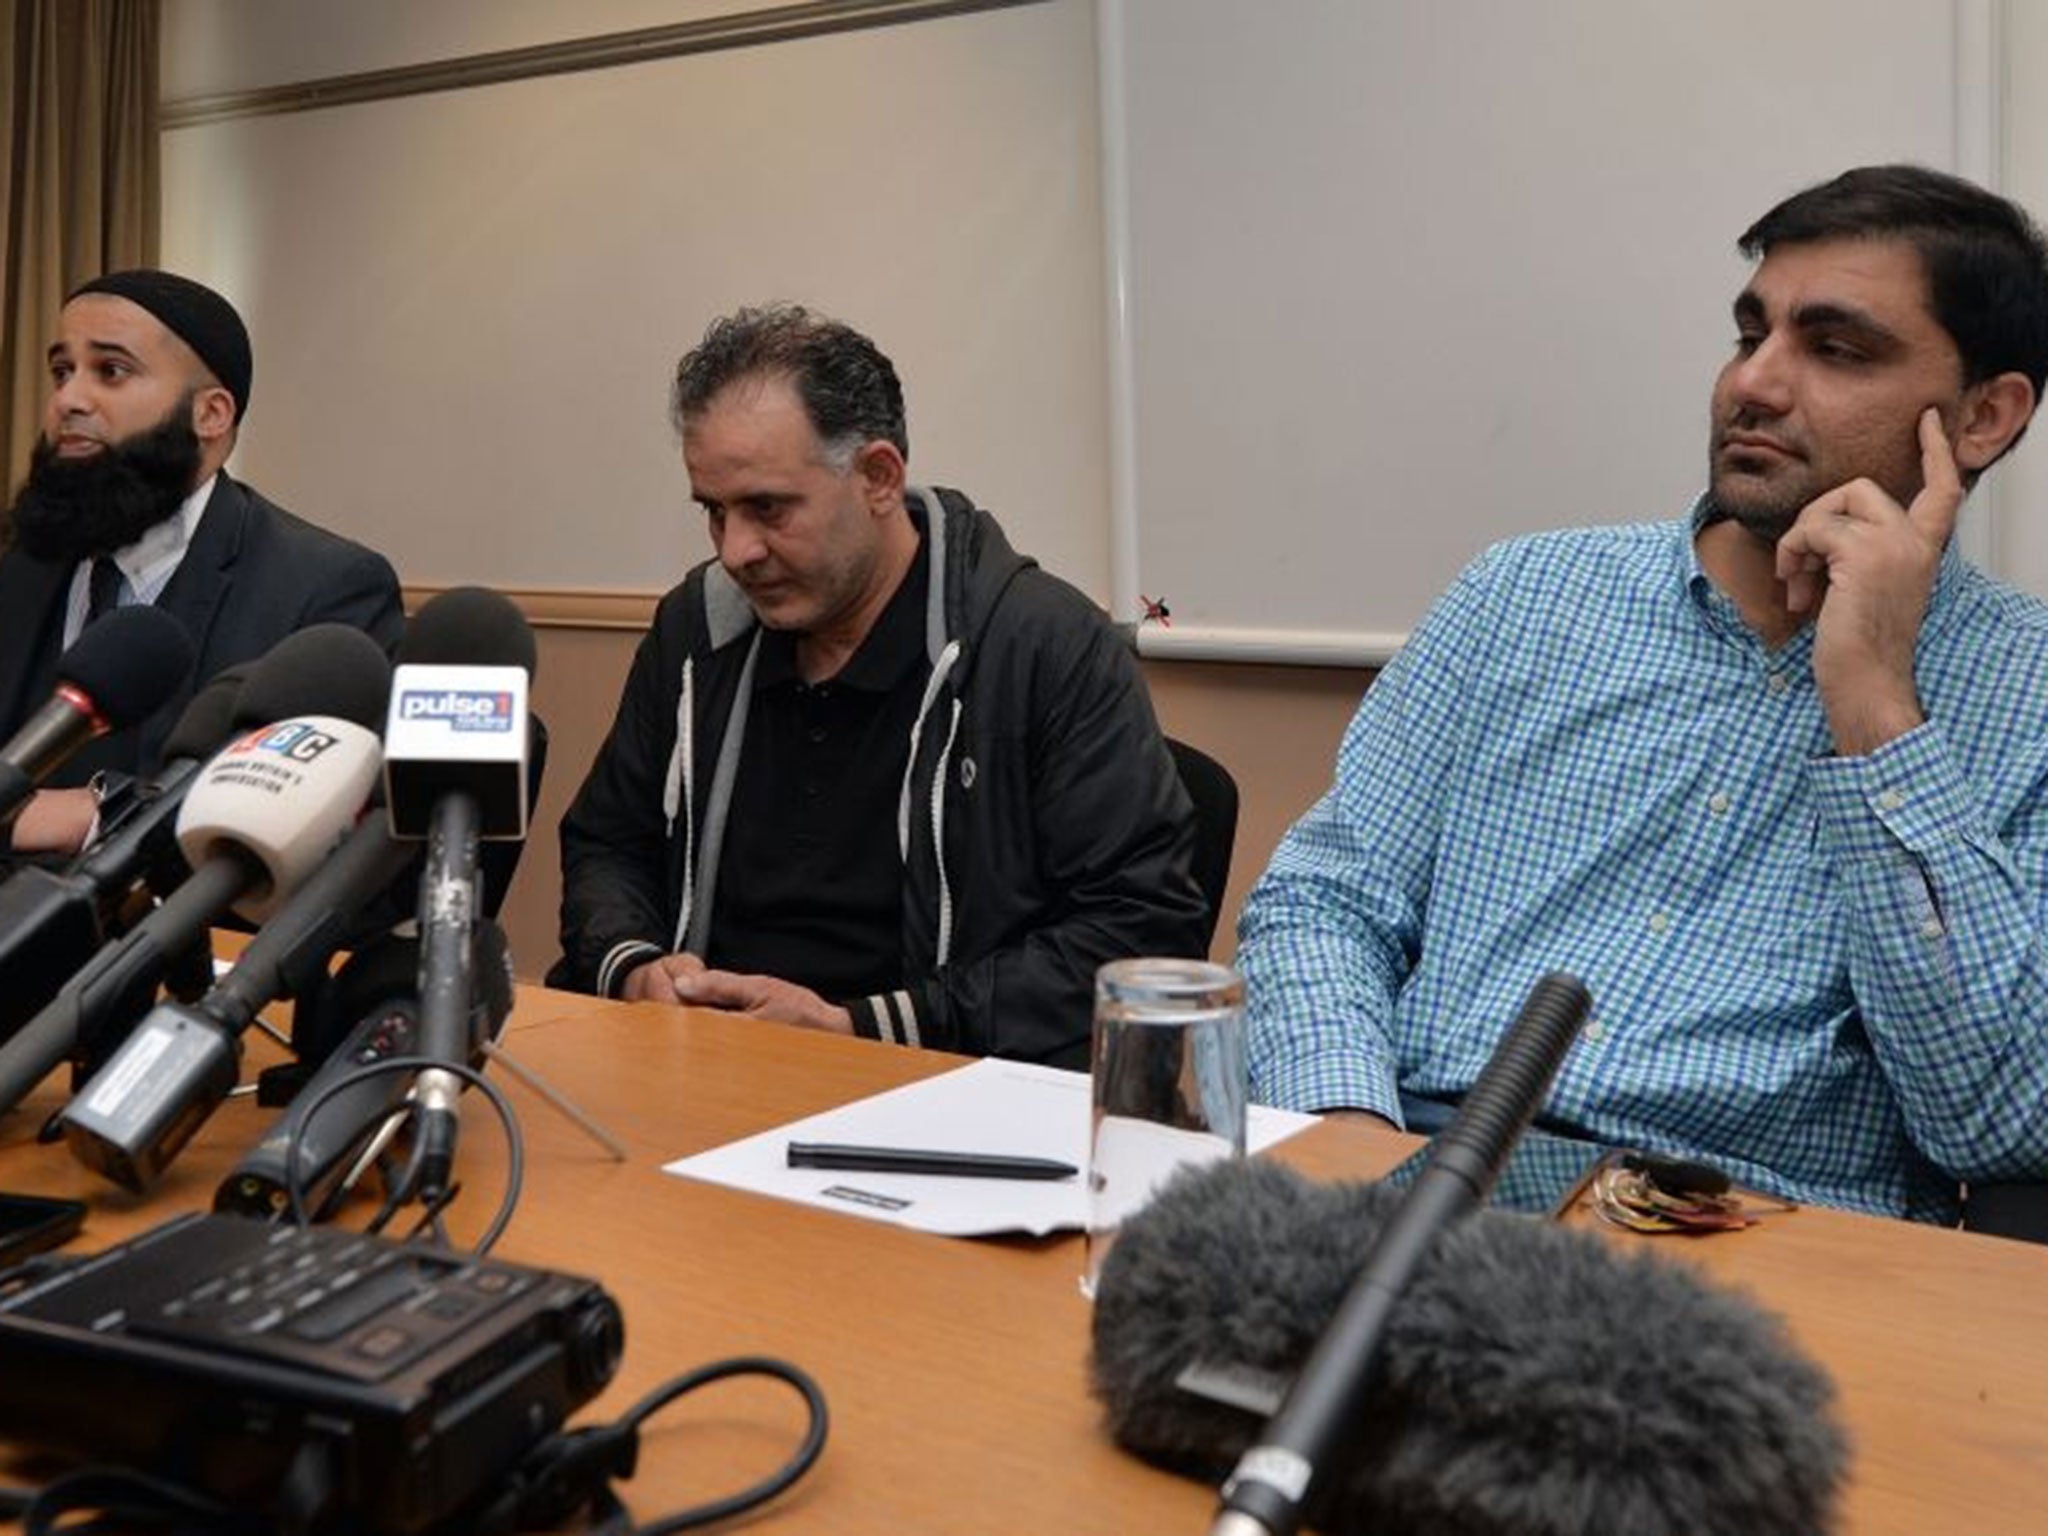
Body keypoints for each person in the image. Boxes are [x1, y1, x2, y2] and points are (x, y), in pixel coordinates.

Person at [1239, 165, 2048, 1224]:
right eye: (1747, 332)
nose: (1752, 384)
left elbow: (1990, 1120)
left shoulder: (2025, 691)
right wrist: (1344, 1141)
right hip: (1420, 1162)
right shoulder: (1521, 595)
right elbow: (1323, 900)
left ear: (1982, 419)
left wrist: (1876, 710)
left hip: (1745, 1231)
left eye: (1834, 349)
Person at [553, 304, 1205, 1067]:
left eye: (767, 508)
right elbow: (607, 841)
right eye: (713, 512)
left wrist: (860, 1029)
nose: (735, 551)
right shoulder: (698, 631)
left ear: (878, 478)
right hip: (702, 1072)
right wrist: (633, 966)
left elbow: (1140, 929)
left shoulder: (1043, 645)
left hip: (936, 1087)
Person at [0, 269, 403, 857]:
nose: (68, 399)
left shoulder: (325, 592)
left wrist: (96, 811)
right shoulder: (23, 572)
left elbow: (327, 829)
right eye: (62, 372)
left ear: (210, 414)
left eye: (110, 371)